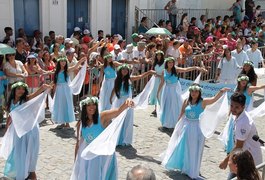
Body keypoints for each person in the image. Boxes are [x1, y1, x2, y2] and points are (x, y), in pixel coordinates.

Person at [161, 84, 230, 179]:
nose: (194, 93)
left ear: (199, 92)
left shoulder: (203, 102)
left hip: (198, 128)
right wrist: (177, 127)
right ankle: (186, 167)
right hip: (187, 127)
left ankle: (193, 169)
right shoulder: (186, 101)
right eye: (192, 91)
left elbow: (214, 99)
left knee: (195, 149)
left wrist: (221, 91)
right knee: (185, 147)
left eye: (196, 91)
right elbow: (182, 114)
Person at [71, 96, 134, 180]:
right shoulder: (81, 124)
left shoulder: (102, 117)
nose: (92, 107)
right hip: (89, 157)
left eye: (94, 104)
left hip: (102, 155)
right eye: (88, 105)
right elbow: (78, 144)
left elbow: (118, 111)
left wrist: (127, 101)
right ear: (84, 107)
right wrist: (76, 161)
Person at [3, 82, 51, 179]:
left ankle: (30, 172)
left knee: (29, 152)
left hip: (29, 130)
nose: (21, 91)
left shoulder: (25, 100)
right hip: (18, 131)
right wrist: (7, 128)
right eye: (18, 89)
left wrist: (42, 87)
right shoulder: (11, 101)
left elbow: (35, 94)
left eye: (23, 89)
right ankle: (21, 171)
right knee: (19, 151)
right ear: (14, 90)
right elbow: (11, 115)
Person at [219, 93, 262, 179]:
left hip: (248, 159)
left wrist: (225, 160)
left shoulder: (244, 122)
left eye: (236, 107)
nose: (233, 109)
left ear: (243, 107)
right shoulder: (239, 115)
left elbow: (239, 146)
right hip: (242, 156)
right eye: (231, 106)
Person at [110, 64, 155, 146]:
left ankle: (125, 139)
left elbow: (140, 76)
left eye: (126, 70)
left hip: (128, 103)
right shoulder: (117, 80)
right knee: (118, 120)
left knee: (127, 120)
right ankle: (117, 138)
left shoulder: (130, 79)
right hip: (119, 102)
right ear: (120, 71)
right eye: (123, 70)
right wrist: (111, 97)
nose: (125, 71)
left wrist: (148, 72)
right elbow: (114, 88)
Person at [157, 57, 202, 128]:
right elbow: (162, 82)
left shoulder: (176, 69)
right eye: (169, 62)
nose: (171, 64)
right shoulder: (164, 71)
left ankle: (176, 121)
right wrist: (158, 92)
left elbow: (186, 69)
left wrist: (195, 67)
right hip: (167, 90)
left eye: (172, 62)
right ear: (167, 63)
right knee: (167, 105)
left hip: (175, 89)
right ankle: (167, 122)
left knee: (175, 104)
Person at [52, 56, 86, 128]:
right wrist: (54, 92)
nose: (63, 62)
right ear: (59, 63)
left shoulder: (66, 70)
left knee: (66, 104)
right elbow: (55, 83)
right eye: (62, 61)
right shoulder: (57, 72)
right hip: (59, 90)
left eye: (64, 61)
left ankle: (67, 122)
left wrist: (80, 60)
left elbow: (75, 67)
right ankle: (62, 121)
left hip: (66, 89)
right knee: (60, 104)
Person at [149, 51, 165, 117]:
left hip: (162, 80)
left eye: (160, 55)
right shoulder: (155, 63)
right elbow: (152, 70)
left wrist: (159, 75)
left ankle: (162, 108)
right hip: (155, 80)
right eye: (157, 55)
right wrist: (154, 73)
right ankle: (156, 108)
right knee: (156, 93)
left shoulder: (164, 63)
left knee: (161, 93)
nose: (158, 56)